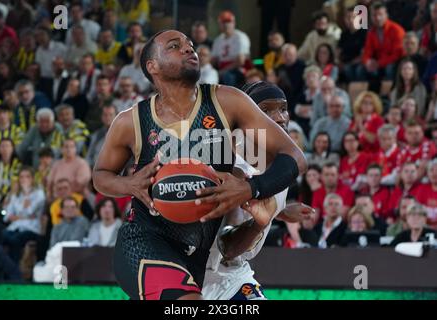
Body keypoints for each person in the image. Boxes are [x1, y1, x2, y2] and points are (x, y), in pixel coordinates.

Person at [92, 30, 307, 300]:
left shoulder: (227, 101)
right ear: (152, 66)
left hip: (200, 254)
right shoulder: (130, 121)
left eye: (190, 45)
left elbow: (296, 158)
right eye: (174, 46)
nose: (188, 48)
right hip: (145, 242)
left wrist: (251, 189)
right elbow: (100, 176)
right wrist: (128, 184)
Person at [203, 81, 313, 301]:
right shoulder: (235, 171)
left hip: (233, 276)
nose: (280, 117)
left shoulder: (281, 163)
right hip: (199, 275)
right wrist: (261, 223)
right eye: (265, 110)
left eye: (283, 108)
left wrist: (280, 211)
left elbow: (254, 206)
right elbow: (229, 247)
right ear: (246, 118)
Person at [2, 167, 45, 263]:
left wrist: (18, 216)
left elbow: (30, 211)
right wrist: (23, 215)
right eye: (21, 177)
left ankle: (14, 271)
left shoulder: (39, 194)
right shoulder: (16, 194)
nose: (24, 179)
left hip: (31, 229)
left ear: (33, 179)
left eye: (27, 177)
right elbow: (7, 216)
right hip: (15, 227)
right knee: (1, 236)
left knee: (15, 240)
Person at [358, 1, 405, 86]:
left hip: (393, 62)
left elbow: (397, 54)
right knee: (361, 69)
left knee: (389, 69)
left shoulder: (397, 30)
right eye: (374, 15)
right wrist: (367, 62)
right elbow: (367, 51)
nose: (377, 18)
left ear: (386, 15)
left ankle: (389, 94)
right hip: (378, 63)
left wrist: (379, 63)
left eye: (380, 14)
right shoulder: (371, 32)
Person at [211, 11, 251, 87]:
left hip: (239, 69)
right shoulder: (218, 40)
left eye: (229, 22)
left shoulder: (240, 37)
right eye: (223, 22)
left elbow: (240, 61)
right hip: (222, 69)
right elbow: (213, 60)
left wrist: (222, 71)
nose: (226, 25)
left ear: (234, 23)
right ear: (219, 24)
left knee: (228, 76)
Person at [0, 138, 21, 209]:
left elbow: (15, 184)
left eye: (8, 146)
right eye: (2, 146)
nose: (5, 149)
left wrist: (9, 198)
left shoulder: (17, 163)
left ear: (12, 148)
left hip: (11, 193)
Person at [337, 7, 367, 83]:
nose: (350, 20)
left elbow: (364, 54)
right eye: (347, 17)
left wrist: (349, 63)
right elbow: (338, 51)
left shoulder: (365, 33)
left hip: (360, 62)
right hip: (346, 62)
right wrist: (338, 62)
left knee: (356, 69)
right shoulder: (344, 34)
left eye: (353, 17)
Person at [414, 159, 437, 228]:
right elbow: (417, 208)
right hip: (424, 225)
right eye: (431, 170)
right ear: (427, 173)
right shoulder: (422, 189)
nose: (434, 173)